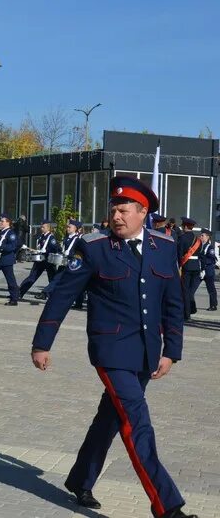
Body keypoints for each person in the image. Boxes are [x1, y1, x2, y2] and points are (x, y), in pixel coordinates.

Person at [31, 176, 198, 518]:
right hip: (111, 351)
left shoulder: (164, 246)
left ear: (142, 212)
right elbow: (62, 295)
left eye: (124, 210)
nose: (116, 216)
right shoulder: (93, 248)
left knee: (111, 416)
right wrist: (42, 343)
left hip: (148, 352)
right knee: (137, 423)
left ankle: (80, 479)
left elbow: (173, 304)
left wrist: (172, 351)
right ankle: (168, 506)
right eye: (114, 209)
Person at [40, 219, 84, 308]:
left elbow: (81, 252)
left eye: (69, 227)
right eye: (67, 227)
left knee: (76, 284)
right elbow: (61, 249)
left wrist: (71, 254)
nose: (67, 228)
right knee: (57, 279)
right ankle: (45, 293)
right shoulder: (67, 238)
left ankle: (79, 303)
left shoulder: (78, 239)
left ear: (75, 228)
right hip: (65, 263)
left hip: (74, 264)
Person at [18, 219, 59, 300]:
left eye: (43, 227)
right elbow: (39, 248)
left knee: (52, 279)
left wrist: (47, 251)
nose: (41, 228)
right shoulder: (41, 237)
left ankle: (50, 295)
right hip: (40, 260)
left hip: (48, 261)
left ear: (48, 228)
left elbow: (56, 249)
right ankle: (20, 292)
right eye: (41, 227)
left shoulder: (51, 238)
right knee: (32, 277)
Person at [177, 216, 201, 320]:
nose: (182, 227)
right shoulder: (198, 239)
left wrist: (178, 265)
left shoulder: (182, 238)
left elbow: (179, 253)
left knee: (185, 291)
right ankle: (192, 308)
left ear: (185, 226)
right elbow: (200, 253)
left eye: (183, 225)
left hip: (186, 267)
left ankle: (187, 314)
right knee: (191, 291)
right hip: (196, 266)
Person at [198, 228, 217, 311]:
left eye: (202, 235)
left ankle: (213, 305)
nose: (200, 237)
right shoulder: (199, 245)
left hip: (208, 271)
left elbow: (212, 259)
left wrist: (203, 259)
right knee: (192, 288)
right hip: (200, 270)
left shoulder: (210, 247)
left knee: (211, 289)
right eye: (201, 235)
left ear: (207, 237)